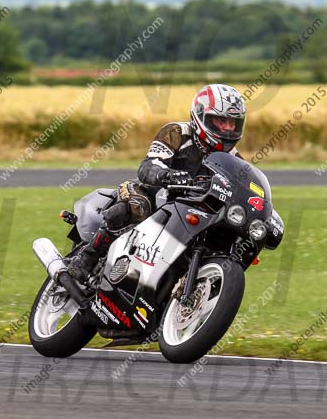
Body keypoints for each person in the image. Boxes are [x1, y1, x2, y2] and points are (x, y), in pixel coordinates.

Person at [66, 83, 247, 283]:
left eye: (233, 123)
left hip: (190, 208)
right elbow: (148, 166)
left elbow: (243, 187)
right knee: (137, 205)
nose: (228, 128)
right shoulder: (177, 132)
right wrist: (169, 175)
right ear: (201, 115)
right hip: (152, 192)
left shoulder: (233, 158)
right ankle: (86, 259)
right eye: (221, 121)